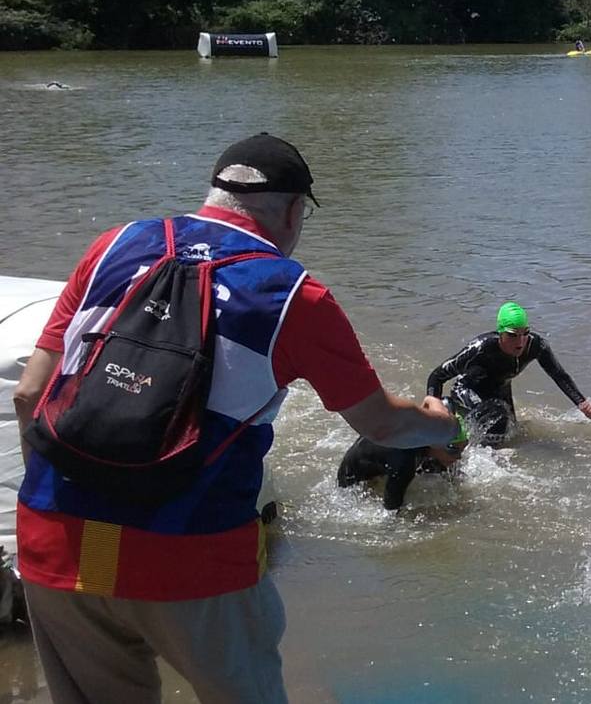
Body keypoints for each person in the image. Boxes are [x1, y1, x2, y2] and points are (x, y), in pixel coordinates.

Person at [9, 133, 462, 704]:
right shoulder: (295, 295)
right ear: (295, 210)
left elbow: (30, 396)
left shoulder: (112, 246)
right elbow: (383, 426)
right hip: (192, 553)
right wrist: (446, 426)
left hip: (57, 543)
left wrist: (71, 509)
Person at [426, 302, 591, 446]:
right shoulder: (480, 348)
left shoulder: (536, 346)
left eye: (525, 333)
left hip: (500, 389)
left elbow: (558, 375)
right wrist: (432, 415)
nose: (520, 342)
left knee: (511, 433)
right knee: (497, 420)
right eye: (513, 335)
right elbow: (437, 375)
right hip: (467, 389)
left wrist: (586, 408)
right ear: (500, 333)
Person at [336, 431, 465, 511]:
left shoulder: (426, 437)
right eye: (453, 450)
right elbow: (391, 507)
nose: (458, 456)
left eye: (462, 449)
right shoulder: (405, 460)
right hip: (352, 477)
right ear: (435, 443)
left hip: (383, 453)